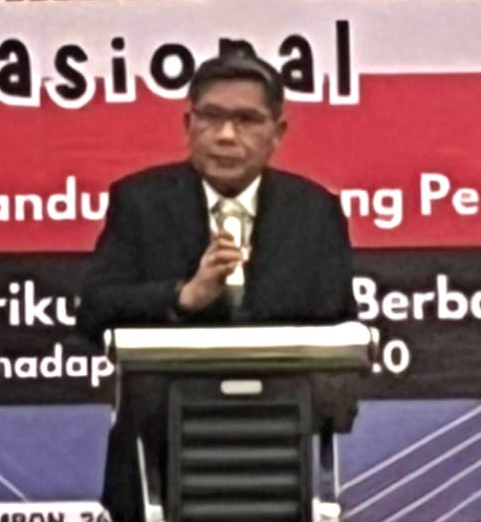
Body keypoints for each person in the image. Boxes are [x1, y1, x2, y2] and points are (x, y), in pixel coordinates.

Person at [77, 47, 353, 521]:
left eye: (247, 120)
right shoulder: (141, 202)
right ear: (189, 125)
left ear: (277, 133)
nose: (226, 135)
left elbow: (338, 329)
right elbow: (93, 312)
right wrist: (183, 297)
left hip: (275, 454)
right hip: (157, 456)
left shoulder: (314, 211)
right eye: (212, 117)